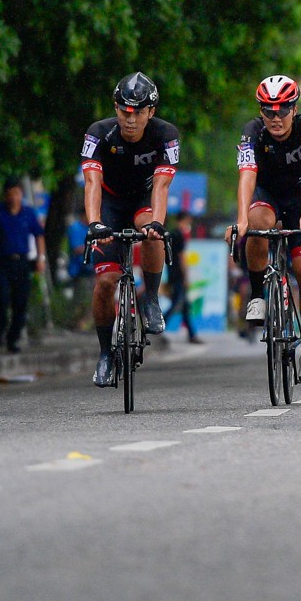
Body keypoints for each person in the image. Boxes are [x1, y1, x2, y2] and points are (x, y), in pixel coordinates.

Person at [81, 72, 179, 387]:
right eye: (124, 110)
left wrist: (158, 224)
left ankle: (150, 297)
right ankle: (105, 353)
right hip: (109, 203)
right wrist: (94, 222)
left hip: (142, 201)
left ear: (151, 112)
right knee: (106, 282)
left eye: (138, 111)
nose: (131, 118)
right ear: (116, 108)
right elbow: (92, 181)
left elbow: (162, 186)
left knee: (150, 230)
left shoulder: (166, 134)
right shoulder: (99, 133)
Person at [234, 75, 301, 378]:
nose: (276, 118)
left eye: (283, 110)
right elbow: (247, 175)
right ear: (261, 112)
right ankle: (258, 295)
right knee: (257, 223)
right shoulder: (253, 132)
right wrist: (241, 220)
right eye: (269, 111)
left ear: (294, 109)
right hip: (267, 196)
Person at [0, 178, 46, 353]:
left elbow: (39, 235)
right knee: (1, 298)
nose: (13, 197)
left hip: (22, 262)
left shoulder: (28, 213)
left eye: (17, 193)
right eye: (10, 193)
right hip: (2, 262)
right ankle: (0, 329)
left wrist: (41, 258)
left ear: (21, 194)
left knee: (20, 302)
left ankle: (13, 338)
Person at [162, 213, 200, 342]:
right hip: (178, 275)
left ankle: (191, 334)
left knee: (184, 306)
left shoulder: (171, 235)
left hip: (172, 273)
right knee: (176, 303)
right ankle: (158, 327)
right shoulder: (179, 235)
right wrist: (186, 276)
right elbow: (181, 257)